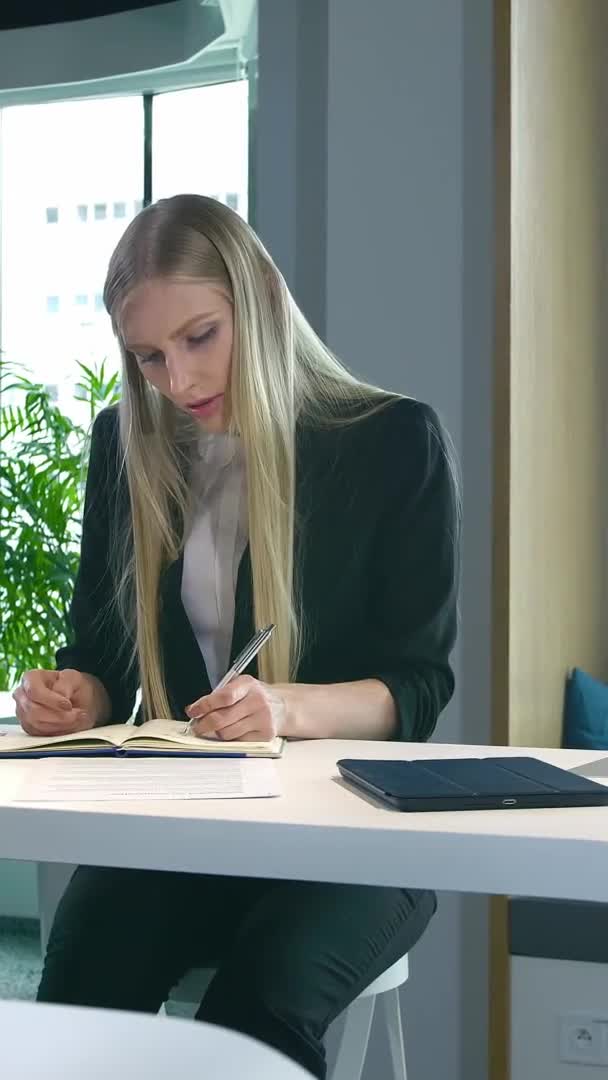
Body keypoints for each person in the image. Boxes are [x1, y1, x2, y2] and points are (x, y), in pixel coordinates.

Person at [13, 195, 459, 1079]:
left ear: (259, 293)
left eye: (199, 336)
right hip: (191, 826)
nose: (176, 381)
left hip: (357, 840)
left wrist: (280, 707)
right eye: (147, 356)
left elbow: (415, 688)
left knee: (250, 1021)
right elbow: (101, 658)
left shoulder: (392, 443)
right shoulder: (126, 446)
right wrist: (78, 694)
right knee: (79, 985)